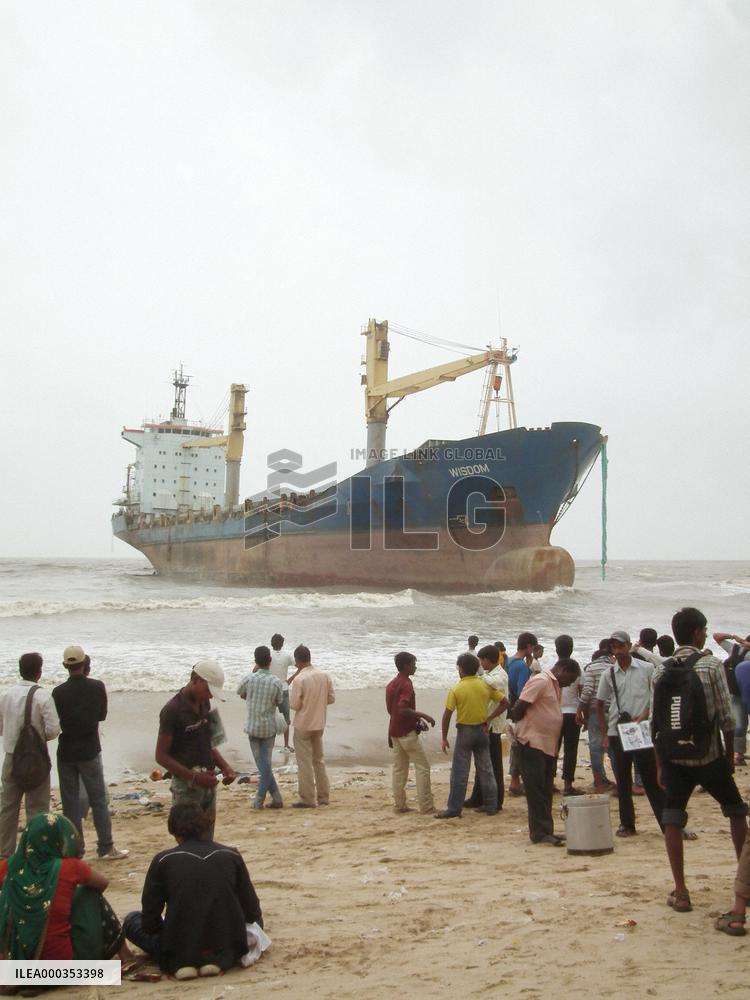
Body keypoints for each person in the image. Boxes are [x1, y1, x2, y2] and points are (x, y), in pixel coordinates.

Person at [654, 608, 747, 914]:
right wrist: (731, 754)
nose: (706, 633)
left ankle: (681, 891)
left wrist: (659, 763)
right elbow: (724, 716)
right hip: (708, 754)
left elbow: (657, 723)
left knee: (672, 817)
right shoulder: (710, 666)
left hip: (674, 757)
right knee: (735, 810)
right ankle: (743, 879)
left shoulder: (661, 670)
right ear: (695, 633)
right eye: (704, 629)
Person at [124, 803, 263, 979]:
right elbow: (252, 911)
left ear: (174, 831)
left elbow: (150, 921)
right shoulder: (231, 855)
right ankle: (213, 959)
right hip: (225, 947)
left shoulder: (163, 860)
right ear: (205, 825)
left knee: (131, 920)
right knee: (256, 920)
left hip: (178, 950)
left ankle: (187, 960)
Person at [0, 813, 132, 966]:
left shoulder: (10, 867)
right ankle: (126, 955)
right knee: (89, 893)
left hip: (13, 965)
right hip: (61, 969)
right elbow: (102, 884)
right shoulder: (70, 867)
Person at [52, 646, 127, 860]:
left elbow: (56, 721)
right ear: (85, 664)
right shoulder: (96, 686)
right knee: (98, 800)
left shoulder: (58, 692)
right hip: (89, 749)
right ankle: (105, 847)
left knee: (70, 804)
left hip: (66, 750)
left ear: (66, 666)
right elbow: (101, 715)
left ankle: (76, 850)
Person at [156, 660, 236, 840]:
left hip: (208, 783)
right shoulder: (172, 711)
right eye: (208, 690)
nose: (209, 696)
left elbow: (209, 742)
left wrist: (225, 767)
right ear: (195, 679)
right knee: (188, 839)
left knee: (206, 837)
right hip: (187, 788)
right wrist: (194, 777)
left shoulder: (204, 705)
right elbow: (161, 756)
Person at [595, 630, 664, 837]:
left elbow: (656, 697)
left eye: (621, 646)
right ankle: (627, 824)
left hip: (641, 729)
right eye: (614, 647)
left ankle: (665, 823)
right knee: (622, 782)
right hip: (618, 731)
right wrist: (605, 733)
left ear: (628, 646)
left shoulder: (646, 668)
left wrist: (645, 714)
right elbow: (599, 704)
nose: (619, 651)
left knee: (651, 780)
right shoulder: (609, 674)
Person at [511, 657, 581, 846]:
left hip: (547, 745)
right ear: (563, 670)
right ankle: (539, 833)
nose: (570, 684)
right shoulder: (541, 681)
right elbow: (519, 707)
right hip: (531, 743)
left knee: (546, 788)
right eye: (571, 678)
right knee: (536, 790)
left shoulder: (555, 685)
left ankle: (546, 830)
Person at [0, 653, 60, 859]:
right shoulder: (43, 696)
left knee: (8, 808)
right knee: (37, 809)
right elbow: (53, 729)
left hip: (11, 757)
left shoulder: (6, 695)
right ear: (39, 672)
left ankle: (4, 854)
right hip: (36, 760)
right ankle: (33, 852)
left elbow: (0, 727)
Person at [435, 653, 506, 819]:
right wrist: (489, 718)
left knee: (460, 772)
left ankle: (454, 808)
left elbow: (447, 715)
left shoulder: (457, 688)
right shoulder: (484, 686)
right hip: (482, 731)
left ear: (461, 669)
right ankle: (491, 805)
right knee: (486, 770)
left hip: (465, 731)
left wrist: (444, 737)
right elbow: (505, 703)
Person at [385, 652, 435, 815]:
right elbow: (402, 708)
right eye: (414, 664)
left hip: (394, 730)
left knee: (399, 769)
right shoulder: (406, 684)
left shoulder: (392, 684)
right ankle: (426, 806)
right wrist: (423, 716)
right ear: (406, 666)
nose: (415, 666)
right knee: (422, 767)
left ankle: (399, 805)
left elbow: (390, 710)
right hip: (406, 732)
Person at [237, 646, 284, 810]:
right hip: (268, 728)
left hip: (253, 727)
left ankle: (259, 800)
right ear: (270, 661)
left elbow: (240, 692)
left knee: (262, 765)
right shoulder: (276, 682)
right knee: (265, 765)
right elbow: (279, 701)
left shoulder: (249, 679)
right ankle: (276, 798)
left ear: (255, 661)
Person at [463, 644, 509, 811]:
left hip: (494, 726)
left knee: (493, 766)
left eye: (482, 660)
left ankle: (496, 801)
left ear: (488, 660)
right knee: (482, 763)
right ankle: (478, 797)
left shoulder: (499, 675)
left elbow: (493, 685)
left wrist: (476, 676)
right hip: (486, 724)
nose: (481, 663)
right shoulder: (490, 673)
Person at [289, 645, 335, 808]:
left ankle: (307, 798)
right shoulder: (324, 676)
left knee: (304, 763)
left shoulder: (299, 679)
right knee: (318, 760)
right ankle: (323, 796)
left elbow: (294, 705)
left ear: (297, 661)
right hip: (319, 723)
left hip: (303, 724)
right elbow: (331, 699)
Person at [576, 643, 615, 791]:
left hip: (595, 711)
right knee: (614, 748)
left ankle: (599, 781)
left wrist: (580, 710)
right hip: (613, 711)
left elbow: (587, 691)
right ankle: (620, 780)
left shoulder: (591, 668)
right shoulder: (615, 667)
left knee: (596, 748)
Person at [506, 632, 538, 796]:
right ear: (529, 647)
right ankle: (516, 781)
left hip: (509, 707)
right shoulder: (522, 667)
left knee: (514, 743)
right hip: (519, 709)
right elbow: (523, 692)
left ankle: (515, 780)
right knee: (521, 745)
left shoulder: (509, 661)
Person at [713, 630, 750, 766]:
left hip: (734, 691)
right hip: (741, 692)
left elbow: (716, 636)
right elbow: (716, 636)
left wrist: (734, 637)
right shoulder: (736, 649)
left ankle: (738, 755)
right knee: (739, 724)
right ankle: (738, 755)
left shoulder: (735, 649)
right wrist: (736, 638)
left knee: (739, 723)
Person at [555, 635, 583, 795]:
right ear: (571, 649)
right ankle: (567, 785)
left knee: (552, 748)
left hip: (555, 713)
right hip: (573, 712)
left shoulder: (550, 666)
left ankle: (549, 781)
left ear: (556, 649)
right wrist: (582, 712)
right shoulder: (576, 668)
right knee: (571, 750)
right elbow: (582, 693)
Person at [269, 633, 294, 751]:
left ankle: (271, 743)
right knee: (286, 718)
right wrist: (291, 679)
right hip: (283, 688)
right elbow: (299, 665)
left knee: (271, 717)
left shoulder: (268, 655)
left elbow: (257, 669)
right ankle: (286, 745)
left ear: (271, 644)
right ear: (282, 644)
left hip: (271, 689)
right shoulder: (287, 656)